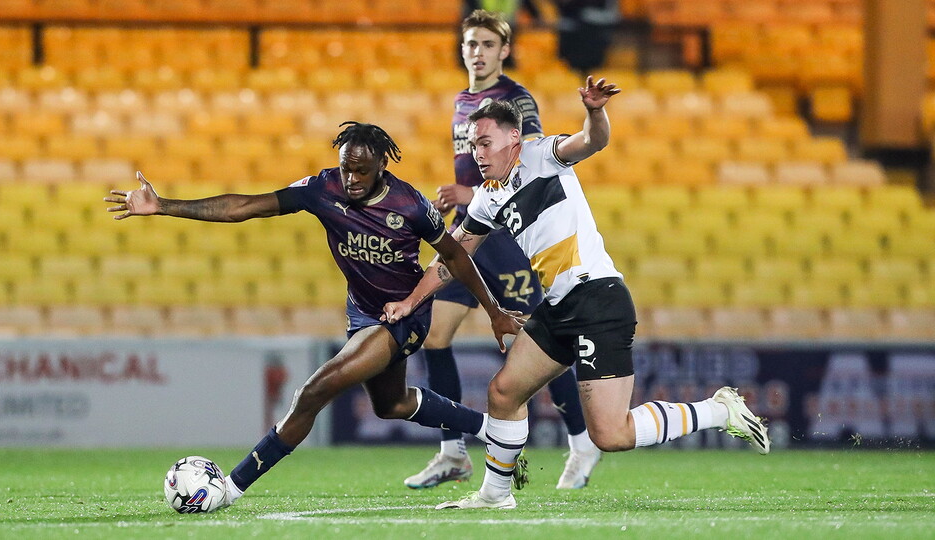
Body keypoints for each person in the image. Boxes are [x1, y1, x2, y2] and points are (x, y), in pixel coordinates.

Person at [383, 79, 771, 510]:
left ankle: (720, 410)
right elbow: (451, 258)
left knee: (611, 435)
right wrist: (410, 302)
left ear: (514, 138)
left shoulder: (541, 156)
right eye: (474, 144)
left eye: (486, 142)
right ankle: (495, 496)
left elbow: (592, 141)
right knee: (504, 393)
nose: (478, 152)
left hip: (598, 300)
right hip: (559, 305)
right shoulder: (488, 199)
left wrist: (595, 110)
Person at [103, 122, 525, 509]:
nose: (352, 179)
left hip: (404, 317)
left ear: (382, 164)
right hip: (362, 313)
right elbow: (244, 207)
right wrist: (164, 206)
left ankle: (228, 489)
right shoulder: (322, 189)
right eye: (346, 169)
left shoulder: (409, 204)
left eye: (361, 171)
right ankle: (495, 432)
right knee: (392, 403)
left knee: (313, 391)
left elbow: (453, 254)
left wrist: (493, 311)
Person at [404, 9, 601, 491]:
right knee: (434, 335)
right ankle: (453, 453)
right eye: (471, 43)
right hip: (470, 234)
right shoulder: (462, 99)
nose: (477, 52)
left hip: (507, 240)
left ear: (504, 50)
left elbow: (526, 167)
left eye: (487, 44)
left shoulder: (515, 99)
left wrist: (469, 195)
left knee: (535, 344)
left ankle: (582, 441)